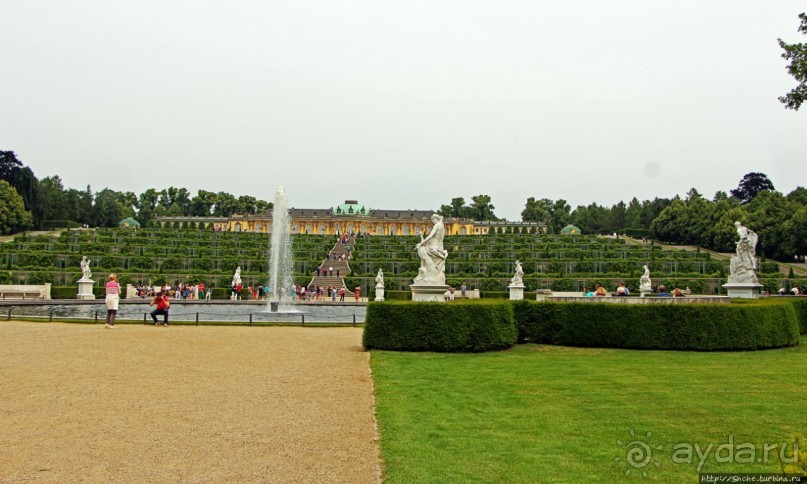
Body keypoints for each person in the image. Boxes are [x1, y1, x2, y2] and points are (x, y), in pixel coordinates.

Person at [414, 214, 448, 285]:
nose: (432, 221)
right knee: (422, 248)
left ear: (436, 218)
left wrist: (420, 244)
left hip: (433, 247)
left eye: (433, 220)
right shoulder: (442, 226)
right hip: (437, 246)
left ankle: (424, 275)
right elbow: (441, 239)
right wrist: (421, 236)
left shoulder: (437, 225)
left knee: (421, 248)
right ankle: (424, 274)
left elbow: (430, 236)